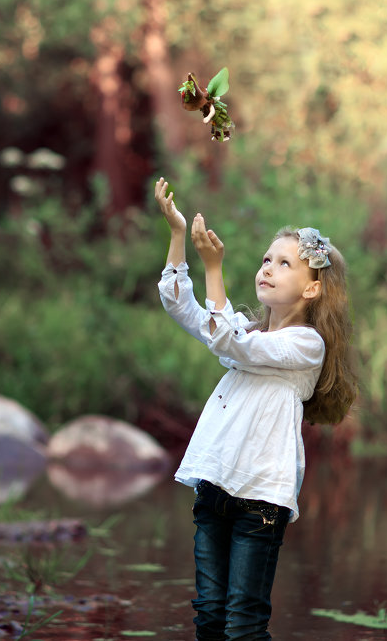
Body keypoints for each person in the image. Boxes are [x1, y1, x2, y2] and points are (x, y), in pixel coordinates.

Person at [154, 176, 358, 641]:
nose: (267, 267)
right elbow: (181, 306)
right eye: (267, 259)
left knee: (243, 625)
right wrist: (177, 236)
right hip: (214, 486)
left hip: (260, 502)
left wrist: (214, 267)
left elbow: (230, 342)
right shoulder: (249, 329)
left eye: (284, 263)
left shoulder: (306, 344)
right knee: (208, 616)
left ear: (311, 290)